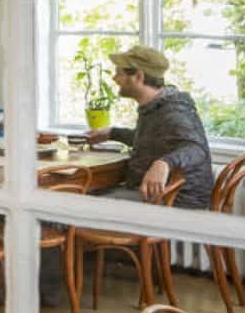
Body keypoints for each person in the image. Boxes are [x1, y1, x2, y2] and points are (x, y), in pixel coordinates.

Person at [84, 46, 213, 209]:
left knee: (72, 204)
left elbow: (196, 149)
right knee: (81, 196)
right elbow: (153, 140)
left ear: (138, 76)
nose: (114, 78)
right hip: (156, 196)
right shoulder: (158, 105)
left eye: (119, 73)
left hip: (174, 203)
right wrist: (112, 133)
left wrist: (163, 163)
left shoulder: (173, 112)